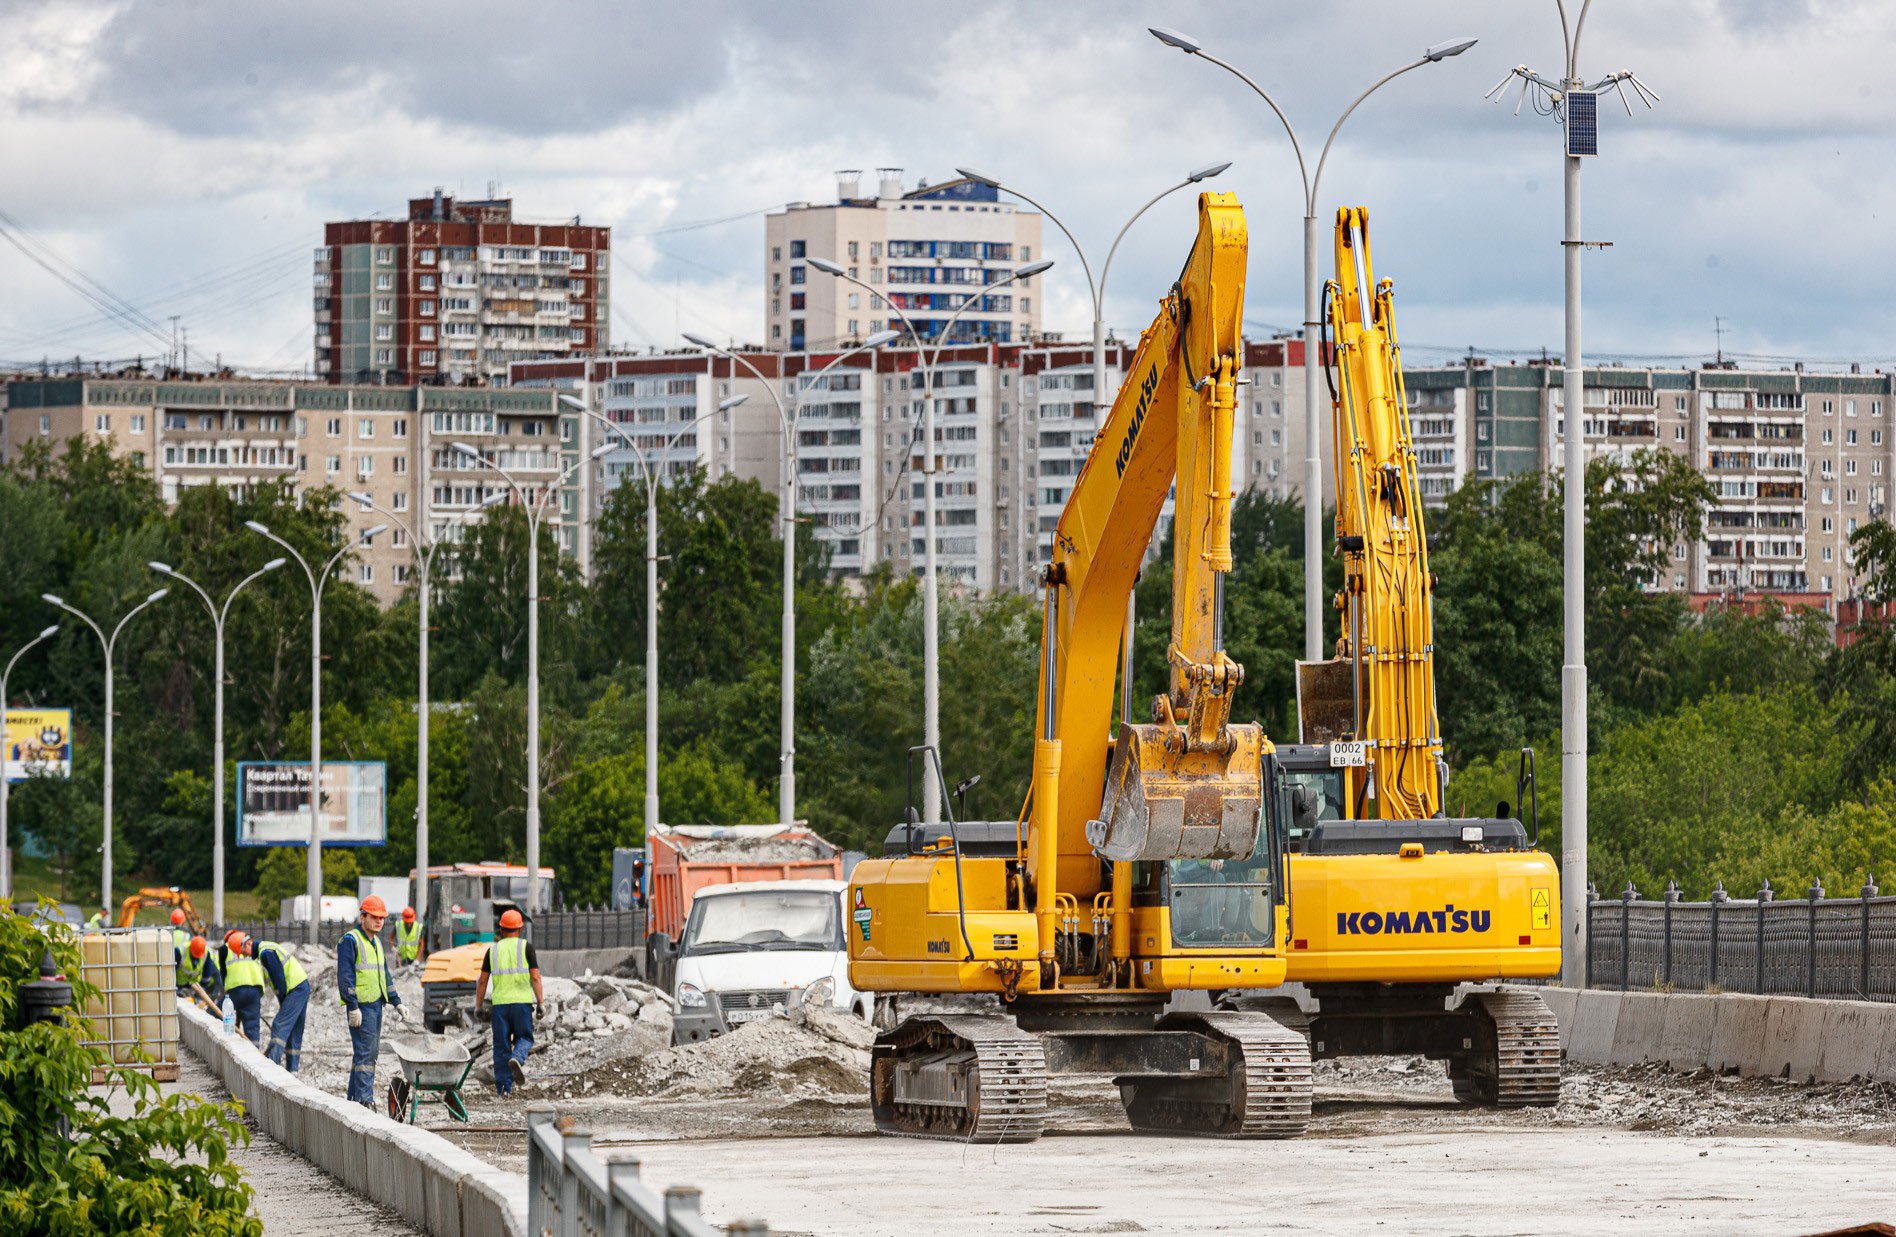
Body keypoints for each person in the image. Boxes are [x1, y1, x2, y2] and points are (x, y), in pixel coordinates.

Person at [336, 894, 399, 1108]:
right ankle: (365, 1100)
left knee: (366, 1053)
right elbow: (345, 976)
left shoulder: (376, 942)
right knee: (366, 1054)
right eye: (374, 917)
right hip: (362, 1007)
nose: (379, 921)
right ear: (363, 917)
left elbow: (384, 975)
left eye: (382, 917)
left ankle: (354, 1100)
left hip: (376, 1005)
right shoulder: (350, 940)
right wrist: (353, 1006)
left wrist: (397, 1001)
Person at [473, 909, 542, 1096]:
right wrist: (541, 1003)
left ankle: (504, 1090)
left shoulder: (492, 951)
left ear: (501, 929)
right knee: (525, 1038)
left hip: (500, 1007)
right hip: (522, 1005)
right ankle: (517, 1058)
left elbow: (482, 981)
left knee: (501, 1047)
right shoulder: (527, 948)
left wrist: (478, 1006)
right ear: (520, 929)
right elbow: (535, 977)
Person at [256, 937, 310, 1073]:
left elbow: (279, 977)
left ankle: (272, 1065)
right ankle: (293, 1070)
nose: (244, 955)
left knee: (280, 1025)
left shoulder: (265, 952)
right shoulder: (266, 949)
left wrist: (282, 996)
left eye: (243, 951)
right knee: (294, 1029)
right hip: (300, 985)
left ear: (248, 944)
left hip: (295, 988)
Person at [220, 931, 266, 1046]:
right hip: (255, 990)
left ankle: (228, 1044)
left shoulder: (225, 948)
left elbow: (222, 973)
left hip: (235, 990)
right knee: (252, 1025)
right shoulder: (252, 946)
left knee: (222, 1017)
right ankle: (254, 1050)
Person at [176, 934, 220, 999]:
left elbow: (207, 974)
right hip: (179, 984)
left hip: (195, 986)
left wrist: (201, 990)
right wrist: (175, 989)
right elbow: (171, 972)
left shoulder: (206, 953)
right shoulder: (179, 951)